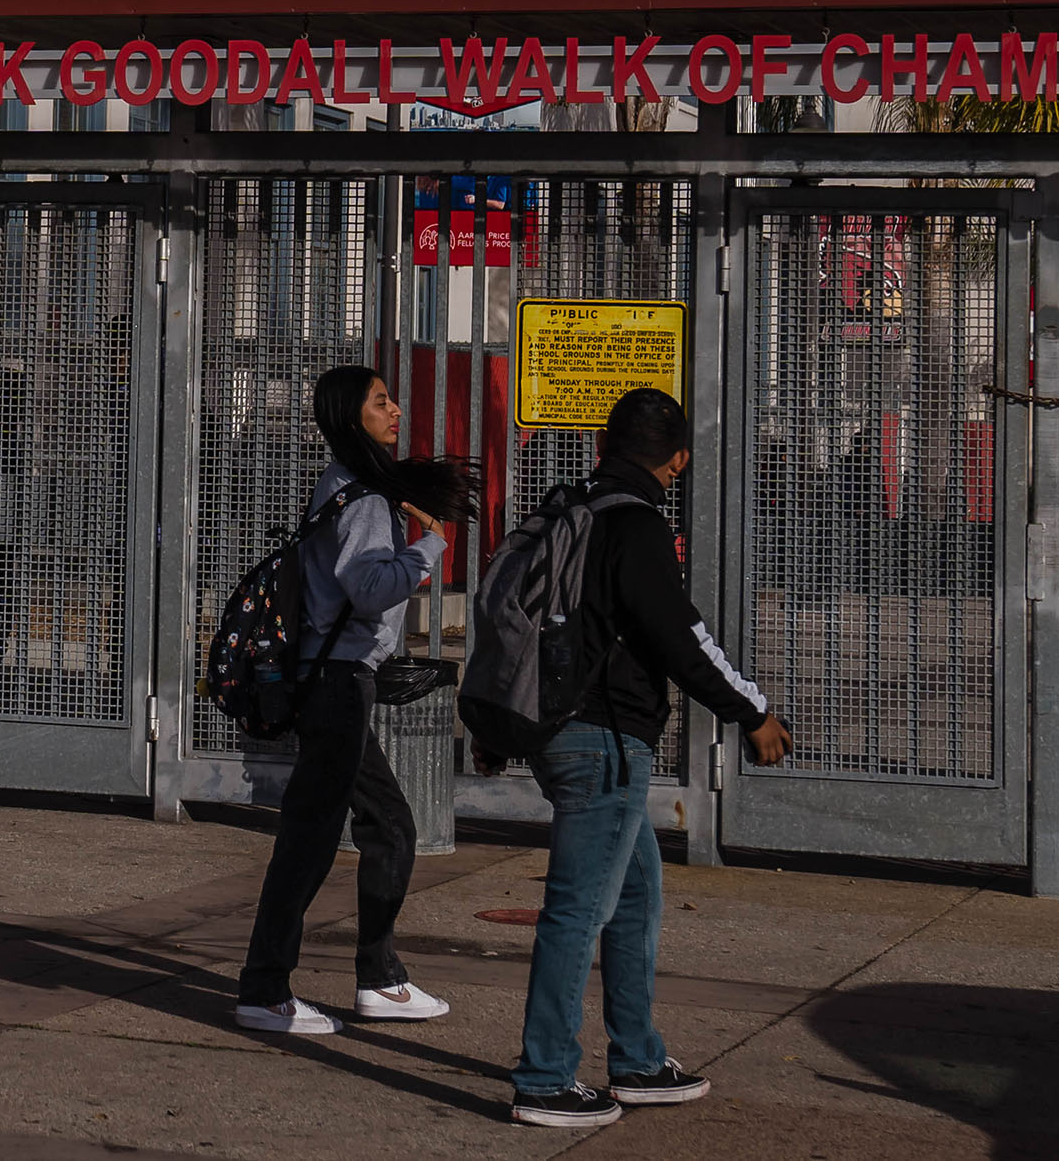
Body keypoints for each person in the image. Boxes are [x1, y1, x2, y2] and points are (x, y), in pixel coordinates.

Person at [497, 387, 792, 1128]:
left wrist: (495, 721)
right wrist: (752, 711)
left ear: (604, 444)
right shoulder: (635, 525)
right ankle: (544, 1077)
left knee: (634, 894)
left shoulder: (566, 511)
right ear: (679, 460)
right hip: (604, 742)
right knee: (577, 909)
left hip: (555, 730)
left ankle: (636, 1058)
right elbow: (681, 638)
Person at [233, 364, 481, 1036]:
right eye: (380, 401)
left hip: (338, 680)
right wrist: (430, 546)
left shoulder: (348, 485)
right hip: (337, 683)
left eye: (391, 399)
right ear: (351, 417)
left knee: (386, 827)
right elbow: (370, 589)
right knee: (314, 840)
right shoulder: (362, 496)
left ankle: (378, 978)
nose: (395, 409)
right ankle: (268, 988)